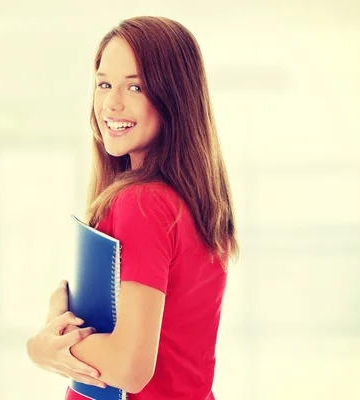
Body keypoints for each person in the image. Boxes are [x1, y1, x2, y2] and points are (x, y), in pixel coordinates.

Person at [26, 15, 239, 400]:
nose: (112, 103)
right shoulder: (194, 202)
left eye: (135, 86)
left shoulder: (143, 203)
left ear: (173, 97)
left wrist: (45, 341)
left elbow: (129, 367)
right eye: (104, 84)